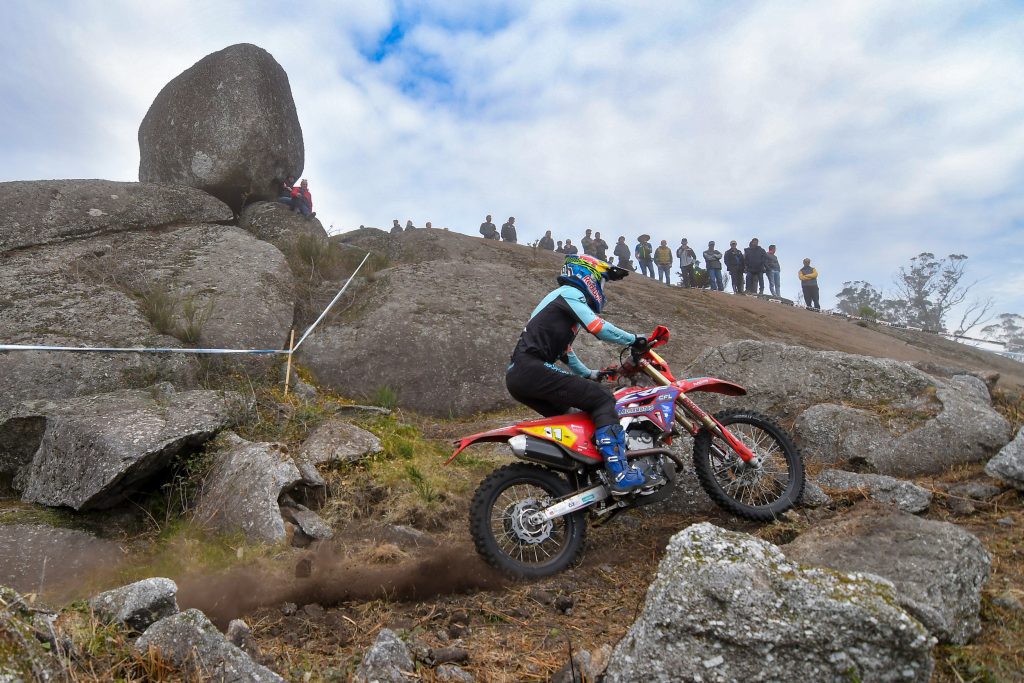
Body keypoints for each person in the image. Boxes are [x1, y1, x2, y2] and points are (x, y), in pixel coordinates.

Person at [505, 254, 651, 494]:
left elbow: (566, 353)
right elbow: (598, 328)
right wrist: (636, 339)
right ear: (587, 276)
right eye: (601, 281)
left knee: (575, 422)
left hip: (519, 376)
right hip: (531, 368)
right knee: (603, 400)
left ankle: (579, 487)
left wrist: (591, 374)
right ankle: (620, 474)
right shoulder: (569, 294)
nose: (602, 288)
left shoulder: (558, 304)